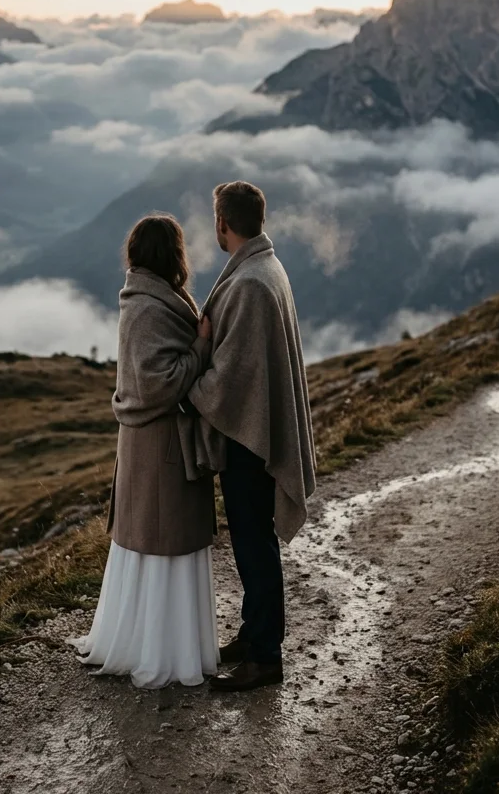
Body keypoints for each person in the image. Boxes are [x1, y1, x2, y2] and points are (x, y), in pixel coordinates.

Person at [68, 213, 219, 688]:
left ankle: (149, 641)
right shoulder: (150, 307)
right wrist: (201, 347)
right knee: (163, 540)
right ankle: (161, 651)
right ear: (172, 255)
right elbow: (160, 383)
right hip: (159, 445)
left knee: (154, 540)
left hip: (148, 444)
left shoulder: (150, 298)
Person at [184, 181, 317, 692]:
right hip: (256, 427)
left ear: (223, 223)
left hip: (250, 436)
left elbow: (232, 377)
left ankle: (265, 656)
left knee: (253, 542)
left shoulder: (249, 284)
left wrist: (186, 386)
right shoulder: (266, 267)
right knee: (251, 539)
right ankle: (253, 633)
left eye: (215, 221)